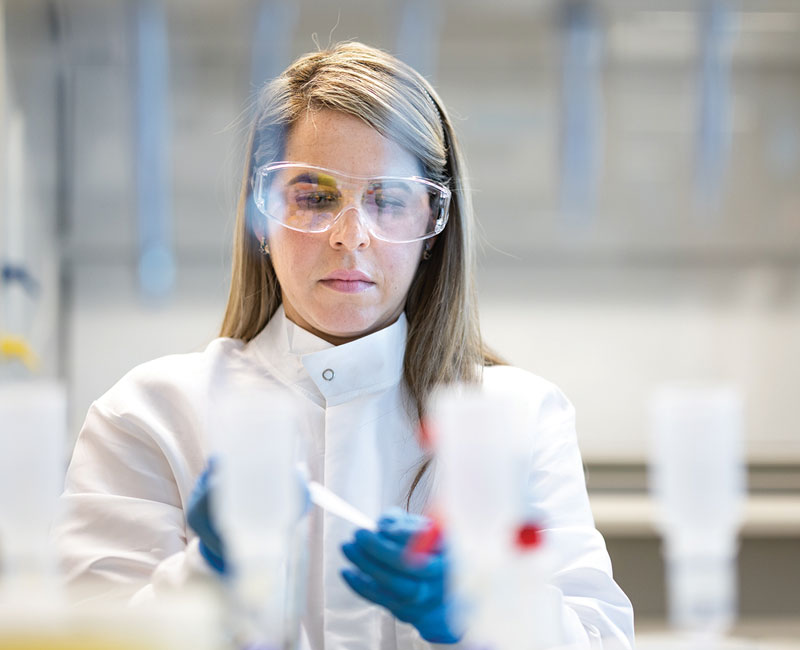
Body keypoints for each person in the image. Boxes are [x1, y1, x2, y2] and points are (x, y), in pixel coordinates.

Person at [52, 41, 635, 649]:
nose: (350, 236)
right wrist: (208, 575)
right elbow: (88, 636)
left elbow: (601, 640)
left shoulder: (516, 416)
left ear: (433, 227)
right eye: (314, 196)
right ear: (263, 212)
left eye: (388, 199)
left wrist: (481, 610)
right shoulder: (152, 414)